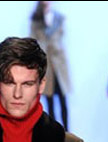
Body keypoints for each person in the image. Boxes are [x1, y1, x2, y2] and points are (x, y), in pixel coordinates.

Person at [30, 1, 71, 130]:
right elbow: (33, 40)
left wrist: (54, 46)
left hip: (59, 64)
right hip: (46, 65)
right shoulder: (36, 19)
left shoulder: (58, 18)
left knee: (63, 100)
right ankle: (54, 132)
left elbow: (60, 37)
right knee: (50, 101)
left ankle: (67, 132)